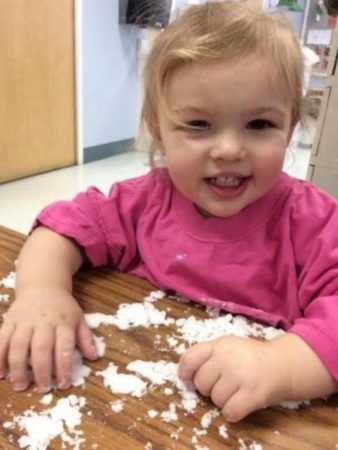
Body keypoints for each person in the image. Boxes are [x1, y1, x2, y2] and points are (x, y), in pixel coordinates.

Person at [0, 1, 337, 422]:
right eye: (198, 125)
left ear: (289, 128)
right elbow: (59, 229)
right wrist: (41, 292)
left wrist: (284, 365)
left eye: (259, 125)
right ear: (159, 131)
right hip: (133, 408)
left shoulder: (314, 224)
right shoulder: (144, 202)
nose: (229, 149)